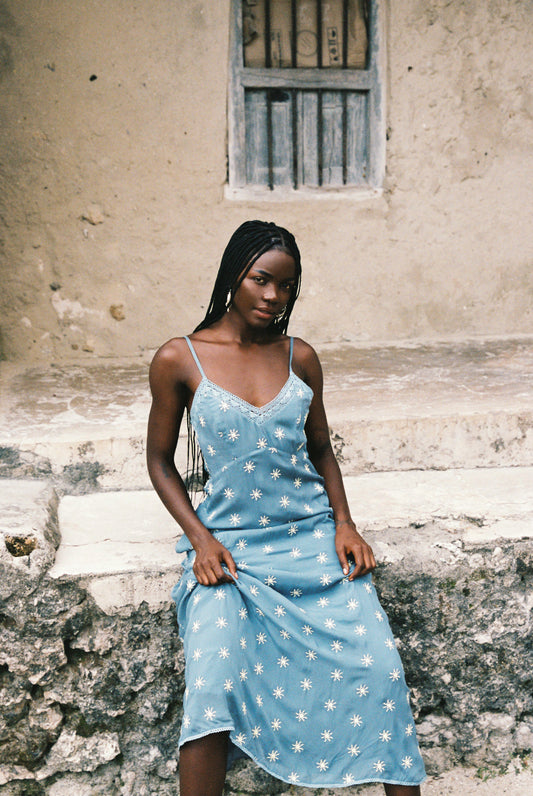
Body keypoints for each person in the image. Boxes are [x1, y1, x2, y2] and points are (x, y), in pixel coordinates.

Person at [147, 220, 426, 795]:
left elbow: (322, 448)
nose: (274, 298)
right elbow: (158, 460)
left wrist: (345, 524)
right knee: (212, 683)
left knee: (382, 670)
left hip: (313, 543)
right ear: (234, 277)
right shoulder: (180, 358)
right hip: (230, 555)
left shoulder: (301, 357)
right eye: (261, 280)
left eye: (287, 287)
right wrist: (201, 539)